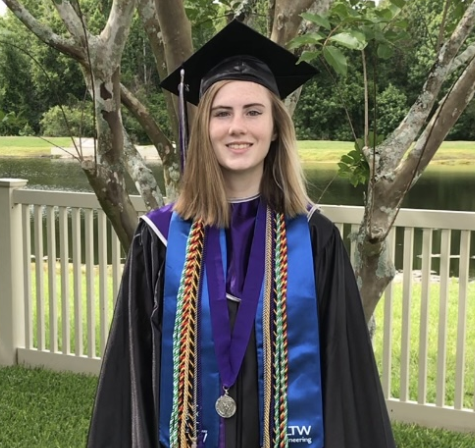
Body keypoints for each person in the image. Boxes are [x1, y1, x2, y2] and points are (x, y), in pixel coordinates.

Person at [87, 20, 396, 448]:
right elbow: (133, 374)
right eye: (222, 113)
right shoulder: (159, 239)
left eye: (253, 111)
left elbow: (344, 375)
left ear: (276, 127)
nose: (238, 127)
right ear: (204, 127)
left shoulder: (315, 239)